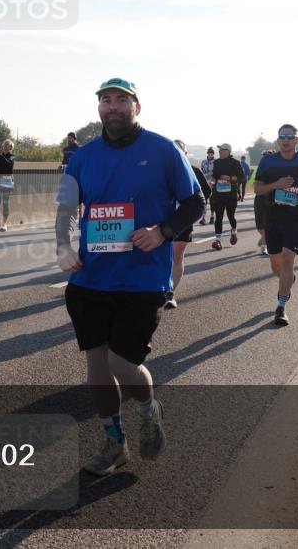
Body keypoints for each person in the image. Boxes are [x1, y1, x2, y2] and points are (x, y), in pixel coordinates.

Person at [55, 78, 204, 475]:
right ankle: (113, 442)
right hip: (90, 279)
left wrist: (163, 232)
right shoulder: (83, 156)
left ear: (137, 106)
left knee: (123, 364)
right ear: (99, 108)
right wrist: (62, 246)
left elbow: (194, 202)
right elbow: (66, 209)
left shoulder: (162, 150)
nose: (113, 107)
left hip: (142, 279)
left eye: (122, 100)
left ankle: (148, 408)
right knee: (97, 366)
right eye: (106, 100)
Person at [253, 124, 298, 327]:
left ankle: (281, 306)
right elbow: (257, 189)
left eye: (289, 136)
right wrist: (276, 185)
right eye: (281, 136)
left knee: (287, 259)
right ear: (278, 140)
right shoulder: (268, 161)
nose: (285, 140)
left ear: (296, 140)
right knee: (277, 264)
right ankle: (287, 280)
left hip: (297, 216)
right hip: (273, 216)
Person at [167, 140, 211, 308]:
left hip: (183, 219)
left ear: (185, 154)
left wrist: (194, 209)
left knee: (176, 254)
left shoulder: (194, 171)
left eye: (181, 151)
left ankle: (170, 292)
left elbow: (206, 191)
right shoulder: (160, 170)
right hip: (160, 219)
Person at [209, 143, 243, 250]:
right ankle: (218, 240)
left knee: (230, 216)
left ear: (228, 151)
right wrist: (213, 181)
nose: (219, 151)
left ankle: (234, 230)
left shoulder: (235, 163)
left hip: (231, 194)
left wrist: (230, 178)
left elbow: (241, 177)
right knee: (218, 217)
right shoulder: (217, 162)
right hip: (218, 194)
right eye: (219, 150)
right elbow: (214, 175)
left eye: (222, 150)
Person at [248, 151, 274, 256]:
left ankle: (264, 245)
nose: (265, 159)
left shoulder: (276, 170)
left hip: (272, 198)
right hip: (259, 198)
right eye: (264, 157)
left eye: (268, 157)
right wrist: (255, 183)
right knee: (259, 223)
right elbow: (250, 184)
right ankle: (263, 237)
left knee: (268, 222)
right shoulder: (258, 169)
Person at [0, 138, 15, 232]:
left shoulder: (12, 157)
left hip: (7, 180)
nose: (5, 148)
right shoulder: (0, 155)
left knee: (5, 203)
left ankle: (4, 224)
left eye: (7, 146)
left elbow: (8, 164)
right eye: (4, 146)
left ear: (11, 148)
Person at [200, 148, 216, 225]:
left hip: (213, 183)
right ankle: (203, 218)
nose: (210, 154)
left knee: (212, 200)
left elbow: (216, 173)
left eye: (212, 153)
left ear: (213, 154)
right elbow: (202, 172)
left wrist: (211, 174)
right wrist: (208, 173)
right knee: (204, 200)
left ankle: (212, 216)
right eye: (209, 153)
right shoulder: (203, 162)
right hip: (205, 183)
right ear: (207, 154)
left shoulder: (216, 162)